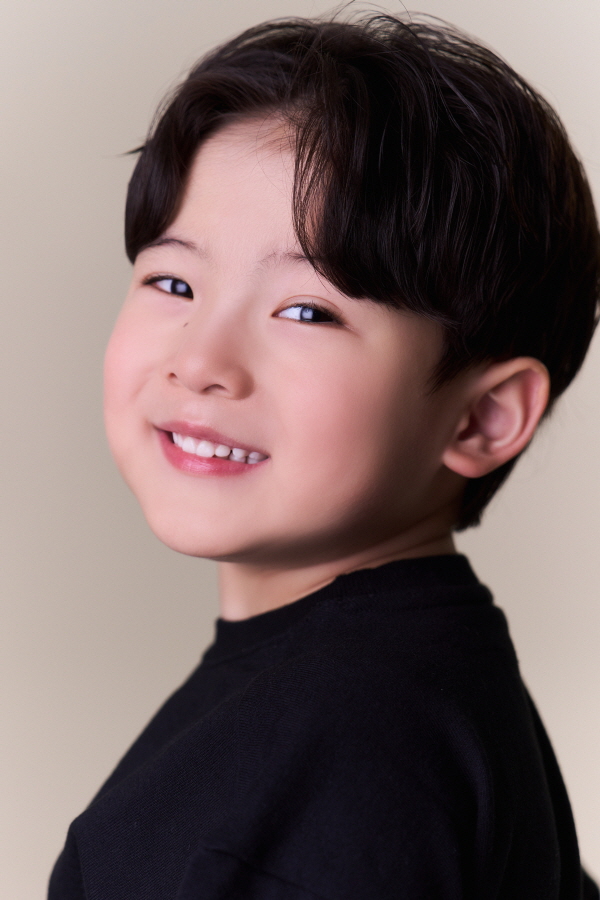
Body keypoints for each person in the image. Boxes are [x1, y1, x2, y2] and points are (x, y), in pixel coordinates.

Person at [49, 12, 599, 899]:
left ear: (481, 418)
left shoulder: (353, 742)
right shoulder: (408, 694)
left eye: (307, 311)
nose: (201, 359)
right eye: (173, 281)